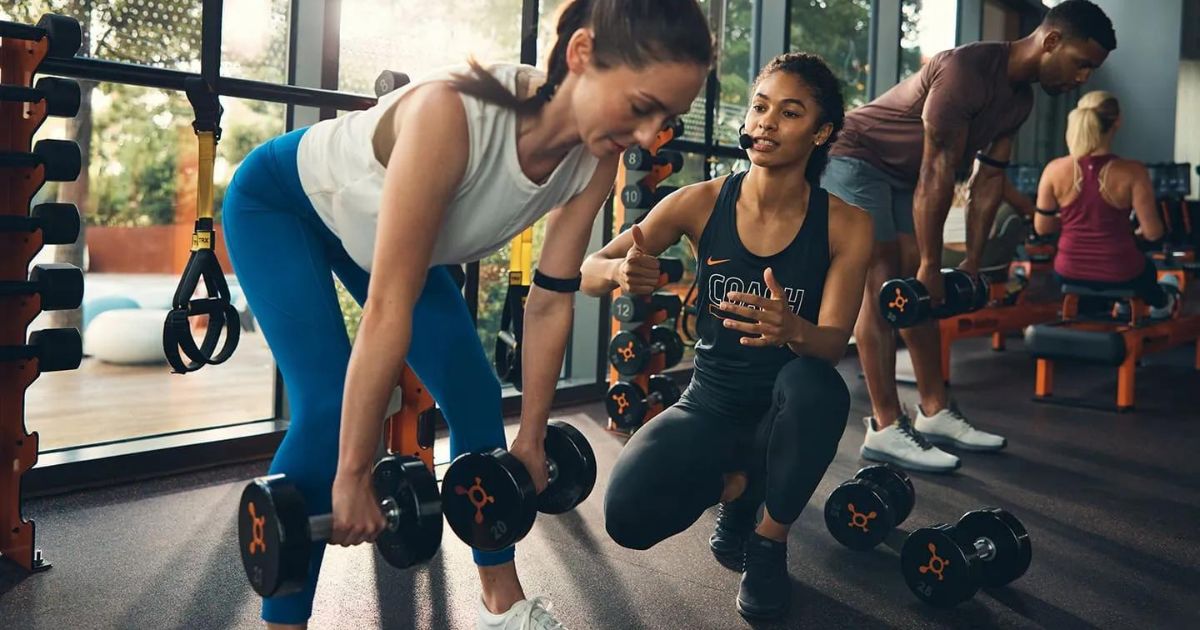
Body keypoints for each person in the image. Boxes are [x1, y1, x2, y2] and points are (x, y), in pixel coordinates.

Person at [219, 1, 713, 628]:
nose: (648, 137)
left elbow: (551, 297)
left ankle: (500, 599)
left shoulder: (596, 157)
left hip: (388, 239)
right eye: (642, 107)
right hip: (285, 206)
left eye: (665, 119)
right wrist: (351, 475)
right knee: (325, 405)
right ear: (582, 56)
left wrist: (532, 438)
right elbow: (387, 309)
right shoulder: (454, 116)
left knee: (476, 393)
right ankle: (282, 621)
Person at [581, 52, 872, 620]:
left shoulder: (847, 224)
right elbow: (590, 269)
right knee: (627, 516)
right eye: (760, 107)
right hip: (709, 405)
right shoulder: (700, 201)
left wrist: (793, 328)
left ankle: (767, 543)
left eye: (790, 113)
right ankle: (739, 490)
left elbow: (834, 343)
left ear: (822, 132)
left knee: (817, 384)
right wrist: (618, 271)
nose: (766, 122)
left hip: (787, 410)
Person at [820, 0, 1115, 473]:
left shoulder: (1020, 100)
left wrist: (972, 262)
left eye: (1091, 70)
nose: (1082, 77)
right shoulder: (967, 69)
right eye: (1082, 64)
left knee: (917, 292)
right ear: (1052, 41)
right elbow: (938, 169)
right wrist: (930, 265)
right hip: (856, 155)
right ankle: (884, 426)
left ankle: (934, 410)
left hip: (903, 174)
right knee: (881, 280)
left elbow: (986, 182)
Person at [1034, 90, 1176, 319]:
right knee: (1148, 269)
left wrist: (1074, 223)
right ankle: (1161, 304)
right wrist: (1136, 231)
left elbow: (1042, 228)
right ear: (1117, 121)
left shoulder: (1054, 170)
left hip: (1067, 271)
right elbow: (1153, 233)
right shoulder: (1133, 172)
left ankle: (1120, 304)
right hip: (1121, 270)